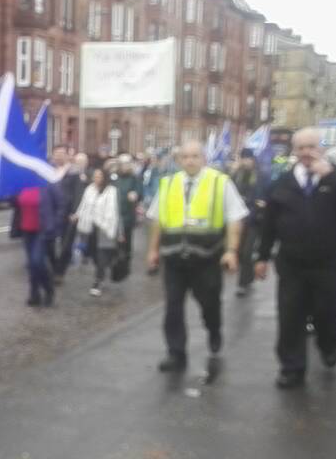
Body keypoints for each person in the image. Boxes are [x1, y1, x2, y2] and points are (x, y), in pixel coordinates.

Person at [254, 128, 336, 389]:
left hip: (331, 263)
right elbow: (269, 224)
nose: (306, 153)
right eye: (301, 148)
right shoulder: (282, 183)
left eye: (311, 147)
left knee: (328, 314)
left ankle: (329, 344)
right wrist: (262, 257)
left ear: (320, 148)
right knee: (290, 317)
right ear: (294, 151)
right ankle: (291, 368)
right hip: (292, 264)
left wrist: (331, 176)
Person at [146, 140, 248, 372]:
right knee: (173, 307)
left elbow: (235, 218)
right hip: (173, 259)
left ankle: (214, 329)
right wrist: (153, 251)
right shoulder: (168, 183)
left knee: (209, 304)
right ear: (179, 160)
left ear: (204, 159)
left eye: (195, 156)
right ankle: (175, 352)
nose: (190, 161)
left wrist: (231, 251)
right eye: (185, 157)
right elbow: (157, 221)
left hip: (207, 259)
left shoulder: (219, 182)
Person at [74, 169, 122, 297]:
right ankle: (102, 270)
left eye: (99, 176)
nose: (97, 178)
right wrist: (77, 215)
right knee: (94, 255)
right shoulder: (89, 189)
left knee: (102, 254)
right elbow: (83, 205)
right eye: (95, 176)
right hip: (91, 227)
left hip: (105, 227)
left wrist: (119, 231)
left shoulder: (111, 191)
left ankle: (97, 280)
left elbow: (116, 211)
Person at [13, 184, 57, 308]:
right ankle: (34, 293)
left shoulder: (46, 186)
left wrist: (54, 224)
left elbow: (59, 204)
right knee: (32, 264)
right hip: (26, 230)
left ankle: (48, 289)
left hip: (41, 230)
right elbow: (15, 203)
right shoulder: (22, 186)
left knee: (37, 261)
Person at [231, 149, 265, 297]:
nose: (245, 161)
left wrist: (257, 205)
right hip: (237, 219)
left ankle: (243, 283)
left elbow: (263, 196)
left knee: (247, 252)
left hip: (253, 220)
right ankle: (248, 276)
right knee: (238, 251)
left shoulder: (260, 175)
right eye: (243, 158)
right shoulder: (236, 174)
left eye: (247, 158)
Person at [46, 146, 74, 277]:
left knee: (65, 244)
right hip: (50, 213)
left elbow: (78, 193)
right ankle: (54, 265)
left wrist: (74, 212)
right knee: (49, 243)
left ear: (67, 156)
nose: (59, 156)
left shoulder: (73, 172)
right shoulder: (47, 171)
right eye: (56, 153)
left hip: (68, 214)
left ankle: (60, 271)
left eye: (62, 153)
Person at [113, 154, 143, 260]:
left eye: (126, 164)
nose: (124, 166)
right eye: (122, 164)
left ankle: (127, 253)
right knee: (115, 233)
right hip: (115, 210)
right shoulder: (115, 176)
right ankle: (116, 253)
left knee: (127, 233)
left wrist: (136, 194)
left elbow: (139, 191)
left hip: (128, 211)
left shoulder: (134, 177)